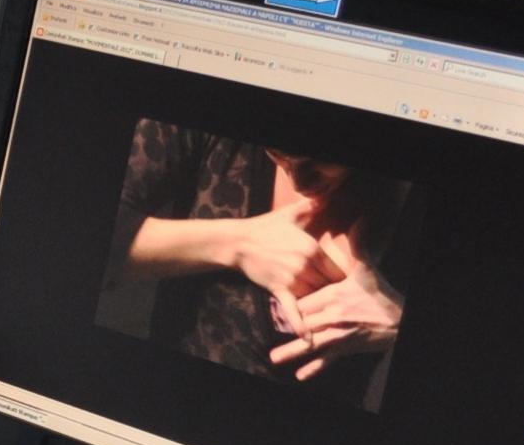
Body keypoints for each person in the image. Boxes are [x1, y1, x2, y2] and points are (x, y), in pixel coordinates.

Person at [106, 119, 412, 410]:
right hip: (175, 407)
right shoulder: (218, 130)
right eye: (277, 155)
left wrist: (399, 324)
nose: (299, 182)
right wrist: (238, 244)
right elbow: (92, 238)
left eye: (318, 160)